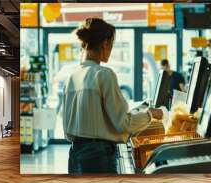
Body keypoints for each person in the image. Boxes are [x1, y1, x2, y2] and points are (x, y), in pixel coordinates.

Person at [62, 18, 163, 174]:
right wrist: (150, 114)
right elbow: (123, 123)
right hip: (98, 157)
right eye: (112, 44)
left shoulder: (72, 76)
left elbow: (70, 127)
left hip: (75, 154)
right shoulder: (104, 75)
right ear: (105, 43)